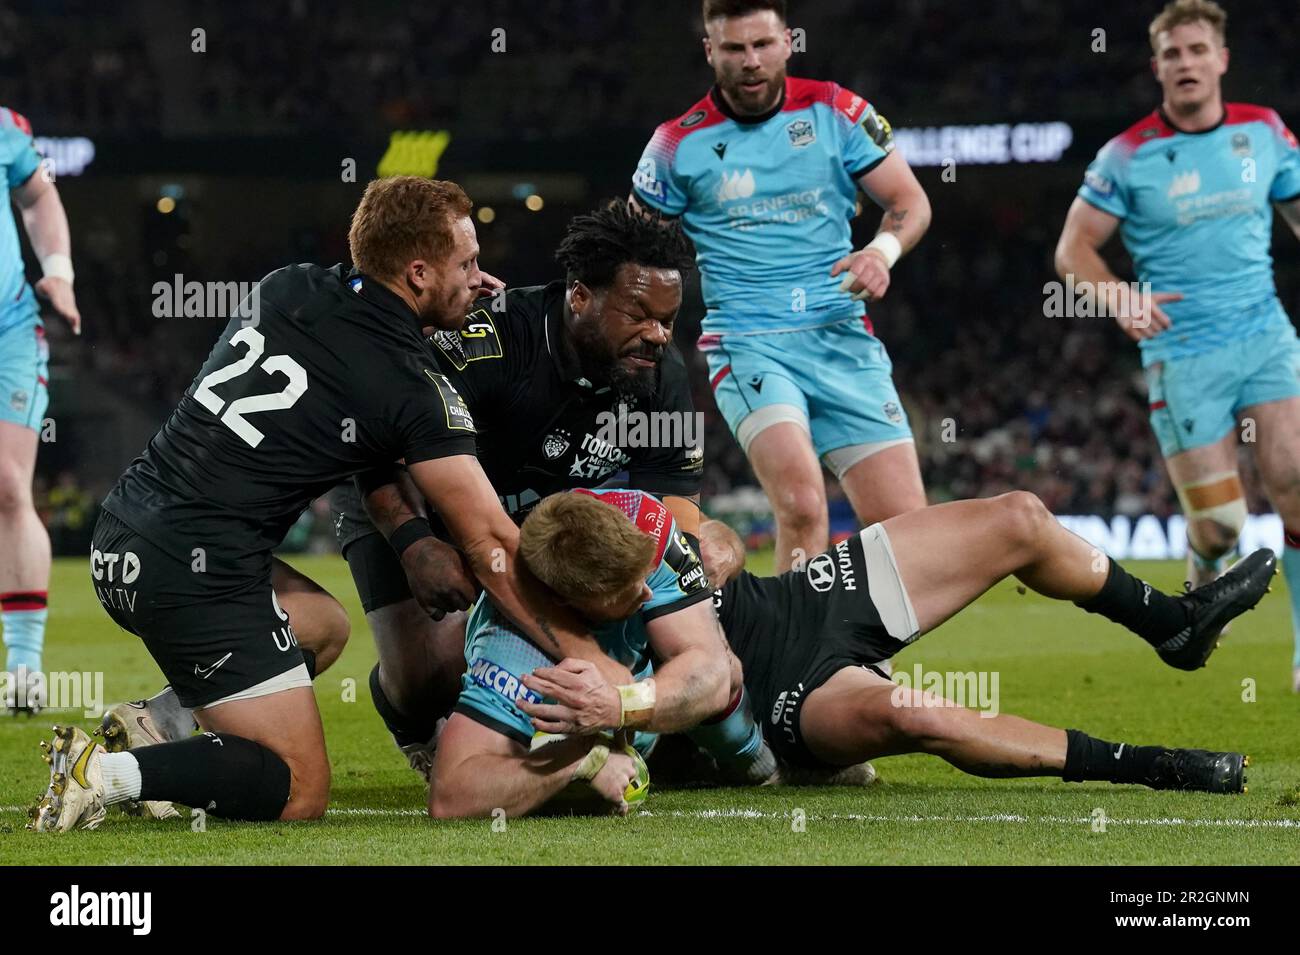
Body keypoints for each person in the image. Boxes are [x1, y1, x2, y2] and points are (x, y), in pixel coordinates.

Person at [28, 177, 620, 832]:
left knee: (322, 624)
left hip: (124, 533)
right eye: (468, 264)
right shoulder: (409, 386)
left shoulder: (289, 285)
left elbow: (346, 394)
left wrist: (408, 538)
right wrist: (590, 665)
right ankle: (103, 774)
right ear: (418, 273)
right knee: (297, 788)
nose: (483, 281)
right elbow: (493, 545)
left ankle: (161, 721)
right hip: (196, 570)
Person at [687, 494, 1272, 791]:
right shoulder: (596, 622)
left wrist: (723, 546)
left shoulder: (627, 499)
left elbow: (698, 522)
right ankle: (1152, 766)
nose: (659, 335)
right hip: (781, 697)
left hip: (800, 596)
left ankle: (1177, 626)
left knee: (1019, 518)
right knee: (920, 716)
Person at [630, 0, 931, 573]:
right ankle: (799, 662)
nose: (750, 61)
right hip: (748, 342)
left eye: (763, 45)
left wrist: (880, 250)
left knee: (908, 528)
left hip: (841, 334)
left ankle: (867, 661)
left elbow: (909, 202)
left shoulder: (837, 111)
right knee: (800, 503)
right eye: (735, 48)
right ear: (710, 50)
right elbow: (632, 255)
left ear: (789, 42)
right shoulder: (675, 144)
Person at [1054, 0, 1300, 690]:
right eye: (1172, 53)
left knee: (1298, 484)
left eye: (1198, 50)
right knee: (1221, 523)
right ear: (1156, 65)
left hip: (1266, 336)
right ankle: (1200, 593)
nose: (1186, 63)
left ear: (1222, 59)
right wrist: (1119, 296)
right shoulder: (1126, 156)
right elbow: (1073, 251)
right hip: (1184, 352)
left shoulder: (1266, 132)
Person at [428, 489, 738, 818]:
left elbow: (716, 673)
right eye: (623, 589)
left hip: (651, 693)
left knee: (731, 673)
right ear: (567, 603)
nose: (648, 593)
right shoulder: (509, 650)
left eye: (643, 576)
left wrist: (620, 705)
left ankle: (741, 756)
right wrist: (580, 759)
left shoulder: (643, 519)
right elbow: (450, 796)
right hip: (565, 727)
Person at [0, 106, 81, 712]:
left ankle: (22, 668)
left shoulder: (4, 126)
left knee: (8, 486)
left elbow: (38, 196)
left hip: (9, 329)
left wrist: (58, 273)